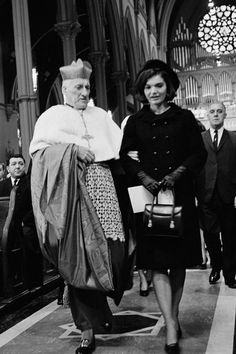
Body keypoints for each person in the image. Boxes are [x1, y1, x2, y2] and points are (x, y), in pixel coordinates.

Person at [29, 58, 126, 354]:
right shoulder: (52, 116)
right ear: (66, 90)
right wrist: (71, 150)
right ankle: (87, 328)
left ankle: (100, 312)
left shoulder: (99, 115)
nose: (84, 92)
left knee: (112, 254)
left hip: (104, 190)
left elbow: (120, 149)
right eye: (78, 87)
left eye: (87, 86)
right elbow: (39, 156)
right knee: (79, 259)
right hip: (72, 195)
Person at [120, 59, 207, 354]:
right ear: (142, 90)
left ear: (168, 87)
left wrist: (175, 176)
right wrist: (143, 177)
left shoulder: (184, 118)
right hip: (148, 200)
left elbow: (198, 154)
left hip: (178, 196)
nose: (153, 91)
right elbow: (125, 157)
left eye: (158, 85)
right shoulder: (134, 122)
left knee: (178, 261)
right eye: (148, 86)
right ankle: (170, 323)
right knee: (157, 261)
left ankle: (174, 314)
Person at [196, 102, 236, 289]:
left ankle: (230, 274)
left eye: (219, 111)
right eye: (212, 112)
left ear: (225, 114)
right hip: (206, 195)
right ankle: (216, 267)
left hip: (228, 196)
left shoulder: (234, 138)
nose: (216, 114)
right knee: (211, 236)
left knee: (230, 237)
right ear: (207, 115)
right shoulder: (199, 139)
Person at [0, 154, 43, 289]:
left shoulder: (30, 182)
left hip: (27, 223)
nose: (17, 166)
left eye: (20, 163)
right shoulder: (2, 185)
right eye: (13, 164)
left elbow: (35, 205)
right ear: (8, 168)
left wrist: (24, 221)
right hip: (6, 225)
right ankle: (9, 282)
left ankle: (32, 282)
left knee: (28, 237)